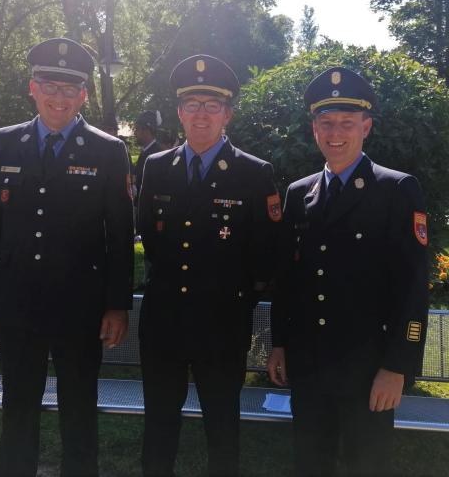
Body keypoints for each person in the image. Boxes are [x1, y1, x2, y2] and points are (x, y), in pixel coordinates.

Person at [0, 37, 134, 477]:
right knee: (18, 410)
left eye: (70, 89)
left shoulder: (109, 151)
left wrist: (118, 304)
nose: (59, 97)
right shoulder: (3, 144)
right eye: (50, 86)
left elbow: (120, 235)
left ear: (83, 95)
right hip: (15, 305)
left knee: (79, 412)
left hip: (80, 308)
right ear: (33, 88)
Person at [267, 67, 428, 477]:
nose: (335, 132)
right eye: (326, 123)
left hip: (368, 368)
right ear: (314, 128)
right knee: (310, 463)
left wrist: (397, 367)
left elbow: (412, 287)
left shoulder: (396, 189)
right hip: (309, 364)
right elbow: (288, 279)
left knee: (367, 465)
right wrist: (281, 343)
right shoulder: (299, 193)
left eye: (347, 123)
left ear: (366, 126)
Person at [138, 54, 281, 477]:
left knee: (222, 429)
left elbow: (266, 254)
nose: (201, 114)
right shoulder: (156, 167)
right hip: (163, 323)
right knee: (159, 427)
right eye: (193, 105)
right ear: (180, 113)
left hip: (221, 324)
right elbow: (149, 234)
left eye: (212, 105)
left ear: (227, 114)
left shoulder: (254, 174)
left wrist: (235, 301)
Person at [134, 109, 163, 208]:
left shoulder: (158, 153)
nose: (135, 132)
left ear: (146, 130)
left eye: (137, 129)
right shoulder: (146, 151)